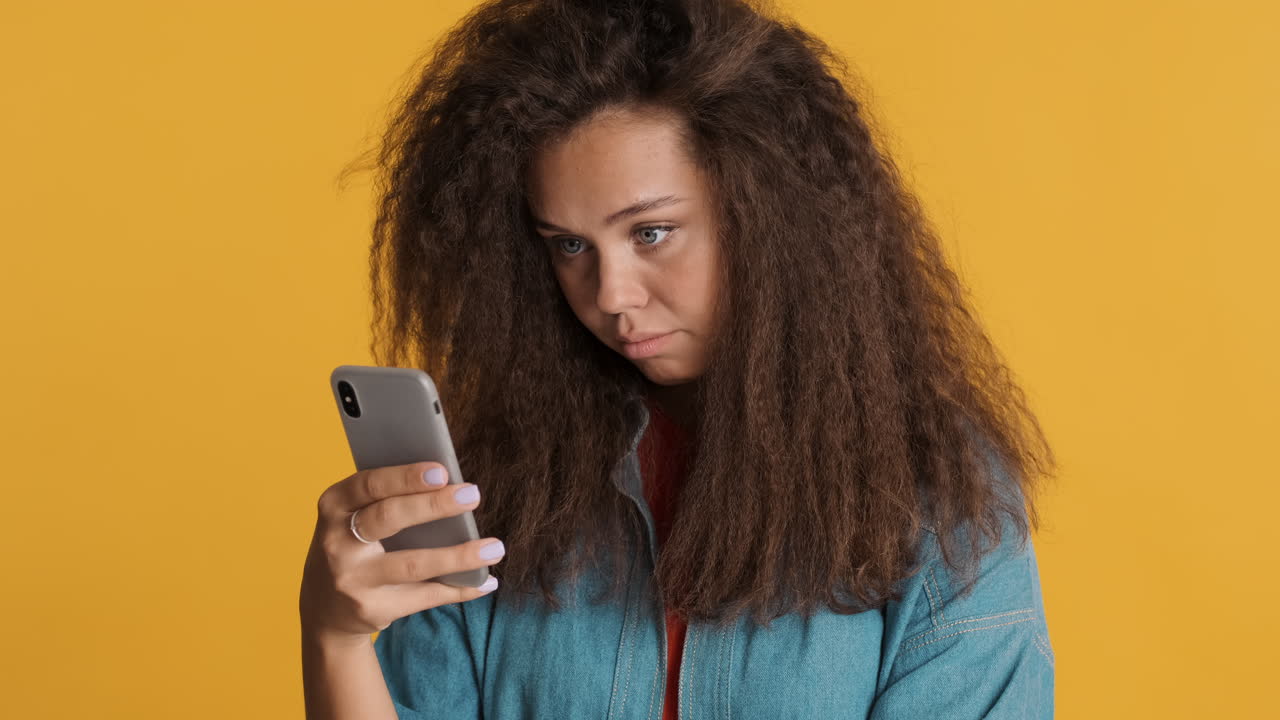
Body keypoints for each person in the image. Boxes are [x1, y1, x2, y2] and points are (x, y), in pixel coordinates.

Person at [299, 0, 1059, 717]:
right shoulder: (503, 487)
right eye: (569, 245)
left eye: (651, 232)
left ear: (767, 210)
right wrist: (334, 636)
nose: (612, 295)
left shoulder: (937, 496)